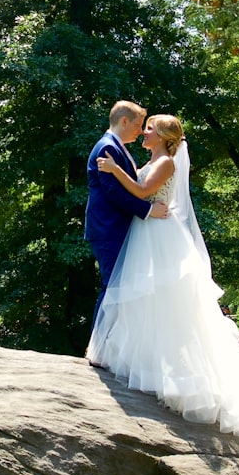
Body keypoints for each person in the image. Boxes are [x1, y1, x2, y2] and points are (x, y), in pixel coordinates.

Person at [86, 114, 239, 444]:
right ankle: (144, 363)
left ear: (164, 137)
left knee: (164, 299)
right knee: (147, 298)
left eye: (150, 129)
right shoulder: (154, 158)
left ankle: (174, 373)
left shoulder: (166, 164)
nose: (144, 132)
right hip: (147, 232)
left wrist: (115, 171)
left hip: (159, 235)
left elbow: (144, 190)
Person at [85, 101, 168, 328]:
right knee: (114, 286)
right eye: (138, 124)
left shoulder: (115, 146)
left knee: (119, 286)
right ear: (124, 121)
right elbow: (113, 192)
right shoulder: (107, 147)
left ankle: (107, 346)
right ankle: (98, 346)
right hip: (108, 228)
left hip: (114, 227)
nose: (141, 130)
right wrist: (149, 210)